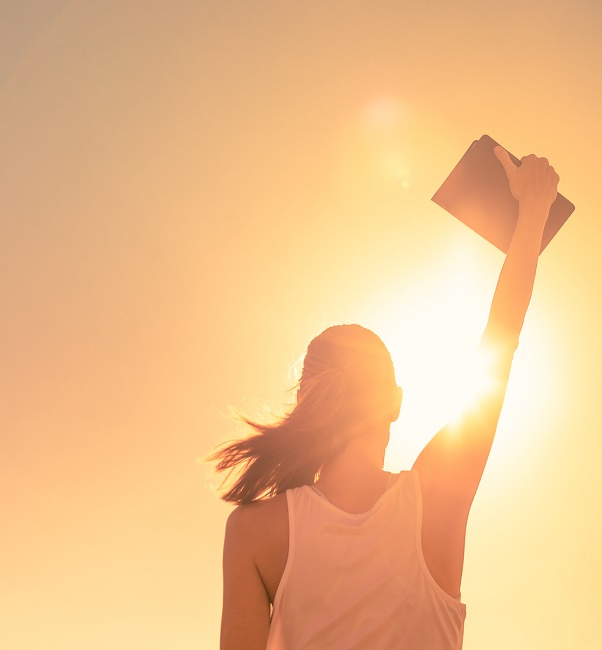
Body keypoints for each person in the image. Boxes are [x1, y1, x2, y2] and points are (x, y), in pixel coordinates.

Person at [210, 146, 560, 649]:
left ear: (308, 403)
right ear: (394, 403)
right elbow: (499, 344)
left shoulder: (254, 533)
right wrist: (532, 211)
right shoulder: (434, 499)